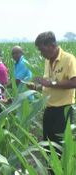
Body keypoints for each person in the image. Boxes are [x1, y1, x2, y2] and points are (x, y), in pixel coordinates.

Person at [29, 31, 76, 173]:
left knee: (60, 148)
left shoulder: (69, 59)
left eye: (42, 50)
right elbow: (48, 85)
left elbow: (74, 82)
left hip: (63, 110)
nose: (41, 54)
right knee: (48, 146)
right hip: (49, 109)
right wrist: (37, 87)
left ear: (52, 45)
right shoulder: (47, 61)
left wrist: (50, 83)